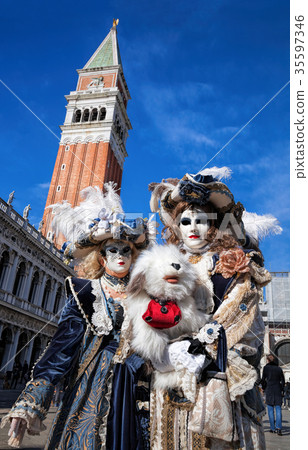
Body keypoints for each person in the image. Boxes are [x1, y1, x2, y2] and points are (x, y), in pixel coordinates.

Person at [2, 184, 154, 449]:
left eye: (125, 250)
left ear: (135, 256)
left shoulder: (147, 297)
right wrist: (33, 400)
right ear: (101, 258)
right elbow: (61, 347)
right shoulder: (87, 292)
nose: (119, 255)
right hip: (90, 383)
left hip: (135, 385)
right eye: (112, 250)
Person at [149, 167, 281, 449]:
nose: (193, 229)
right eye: (185, 221)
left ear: (213, 226)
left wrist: (199, 347)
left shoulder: (232, 266)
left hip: (217, 381)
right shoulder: (161, 265)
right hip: (170, 384)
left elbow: (239, 321)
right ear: (176, 227)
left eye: (201, 220)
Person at [261, 354, 285, 435]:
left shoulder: (266, 368)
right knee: (278, 409)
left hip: (269, 389)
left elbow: (263, 379)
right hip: (277, 389)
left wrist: (263, 388)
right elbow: (283, 380)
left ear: (267, 360)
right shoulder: (279, 368)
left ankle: (272, 428)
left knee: (270, 410)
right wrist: (282, 389)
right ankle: (279, 428)